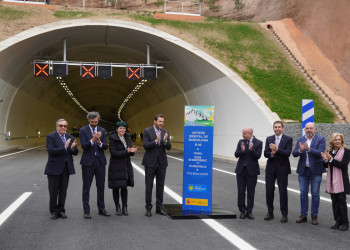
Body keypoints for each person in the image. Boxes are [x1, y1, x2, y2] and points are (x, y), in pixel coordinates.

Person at [44, 119, 78, 219]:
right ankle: (54, 211)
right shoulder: (51, 137)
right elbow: (50, 151)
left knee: (63, 191)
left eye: (65, 126)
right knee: (53, 191)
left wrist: (72, 148)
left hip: (66, 168)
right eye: (61, 125)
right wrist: (64, 147)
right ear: (57, 127)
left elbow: (75, 152)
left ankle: (61, 210)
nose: (63, 127)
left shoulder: (70, 137)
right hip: (54, 168)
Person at [292, 122, 326, 225]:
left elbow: (320, 153)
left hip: (315, 170)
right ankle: (303, 215)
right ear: (304, 130)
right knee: (303, 193)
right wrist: (300, 150)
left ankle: (314, 216)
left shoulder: (321, 139)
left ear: (315, 129)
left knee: (315, 194)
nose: (309, 130)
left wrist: (309, 149)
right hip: (303, 170)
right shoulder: (301, 139)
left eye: (311, 128)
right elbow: (294, 153)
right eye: (307, 128)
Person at [79, 111, 110, 219]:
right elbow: (84, 146)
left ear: (98, 120)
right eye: (92, 122)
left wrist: (100, 143)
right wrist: (93, 139)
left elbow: (106, 147)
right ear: (88, 120)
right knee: (86, 187)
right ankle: (86, 211)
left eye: (96, 121)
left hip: (100, 161)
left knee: (101, 186)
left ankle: (101, 209)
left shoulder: (102, 130)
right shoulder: (83, 130)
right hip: (88, 162)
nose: (94, 123)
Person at [142, 114, 171, 217]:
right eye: (160, 121)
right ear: (155, 121)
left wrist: (164, 141)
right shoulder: (147, 131)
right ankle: (148, 208)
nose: (161, 123)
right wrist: (156, 141)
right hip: (150, 163)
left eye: (163, 122)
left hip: (162, 163)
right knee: (149, 186)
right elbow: (145, 146)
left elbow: (169, 147)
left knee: (160, 186)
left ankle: (159, 207)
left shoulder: (165, 132)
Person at [264, 121, 293, 223]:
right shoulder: (269, 139)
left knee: (283, 192)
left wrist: (277, 149)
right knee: (269, 191)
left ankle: (284, 214)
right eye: (275, 127)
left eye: (279, 127)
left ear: (282, 128)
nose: (277, 129)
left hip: (282, 169)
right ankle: (270, 212)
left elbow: (287, 153)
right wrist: (271, 153)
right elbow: (265, 153)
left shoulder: (288, 139)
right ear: (273, 128)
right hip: (271, 169)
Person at [108, 121, 138, 216]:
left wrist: (132, 151)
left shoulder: (127, 137)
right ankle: (117, 207)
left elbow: (129, 151)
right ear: (116, 129)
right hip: (115, 166)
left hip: (125, 165)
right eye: (120, 128)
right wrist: (127, 151)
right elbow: (113, 153)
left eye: (124, 128)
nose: (122, 130)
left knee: (124, 187)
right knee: (116, 187)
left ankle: (125, 207)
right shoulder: (113, 138)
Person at [321, 133, 350, 231]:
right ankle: (337, 221)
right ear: (332, 141)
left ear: (342, 141)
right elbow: (326, 166)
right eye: (336, 140)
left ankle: (345, 223)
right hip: (331, 180)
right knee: (334, 202)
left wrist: (331, 159)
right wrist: (325, 160)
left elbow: (343, 165)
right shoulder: (329, 151)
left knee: (341, 202)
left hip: (341, 180)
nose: (338, 141)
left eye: (339, 139)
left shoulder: (346, 151)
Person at [234, 127, 262, 219]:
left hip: (252, 171)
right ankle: (242, 210)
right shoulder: (241, 142)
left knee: (251, 192)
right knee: (241, 191)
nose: (243, 135)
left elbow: (258, 156)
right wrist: (241, 151)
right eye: (242, 133)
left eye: (244, 133)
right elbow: (236, 154)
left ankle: (249, 211)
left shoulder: (258, 143)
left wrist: (251, 150)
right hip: (241, 171)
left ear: (250, 133)